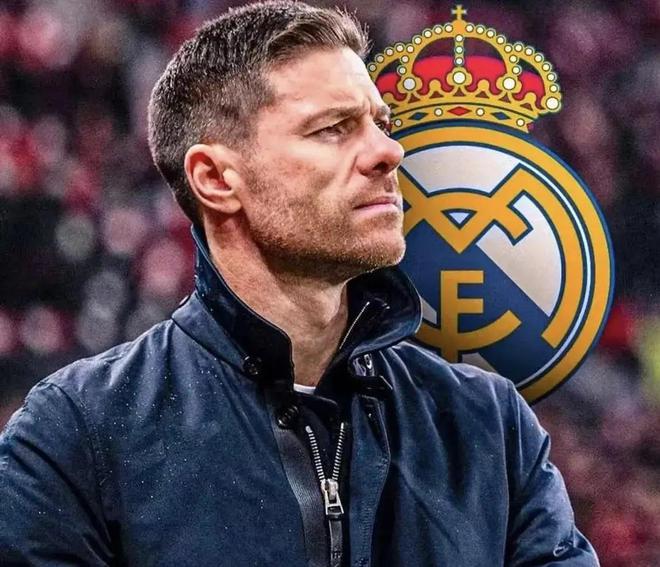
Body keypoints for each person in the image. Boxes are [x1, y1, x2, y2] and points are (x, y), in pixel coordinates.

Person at [0, 1, 599, 565]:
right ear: (216, 179)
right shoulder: (78, 433)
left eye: (381, 124)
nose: (388, 151)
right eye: (333, 128)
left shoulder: (490, 427)